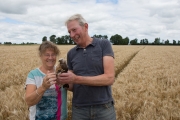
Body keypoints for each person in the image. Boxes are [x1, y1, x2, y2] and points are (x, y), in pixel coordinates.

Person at [57, 14, 116, 120]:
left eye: (74, 30)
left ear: (86, 27)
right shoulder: (71, 53)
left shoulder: (103, 44)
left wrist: (76, 79)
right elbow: (72, 86)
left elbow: (109, 78)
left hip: (104, 107)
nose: (71, 35)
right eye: (69, 32)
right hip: (79, 109)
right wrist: (63, 81)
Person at [25, 41, 67, 120]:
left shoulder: (61, 71)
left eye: (53, 54)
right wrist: (43, 87)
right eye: (47, 55)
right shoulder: (33, 75)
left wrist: (65, 81)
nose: (50, 58)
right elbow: (29, 102)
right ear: (40, 56)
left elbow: (73, 88)